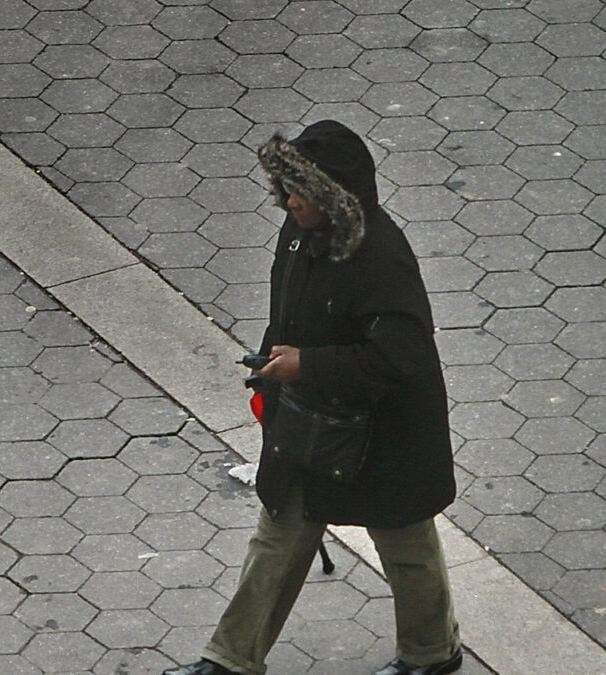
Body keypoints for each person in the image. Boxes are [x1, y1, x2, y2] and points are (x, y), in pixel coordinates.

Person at [165, 120, 461, 675]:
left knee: (404, 541)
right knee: (280, 534)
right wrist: (272, 374)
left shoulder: (382, 259)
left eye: (301, 191)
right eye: (286, 187)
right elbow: (287, 311)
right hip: (313, 421)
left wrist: (308, 365)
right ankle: (230, 660)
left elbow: (402, 358)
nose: (289, 200)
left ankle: (432, 653)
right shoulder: (299, 231)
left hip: (385, 433)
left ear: (334, 197)